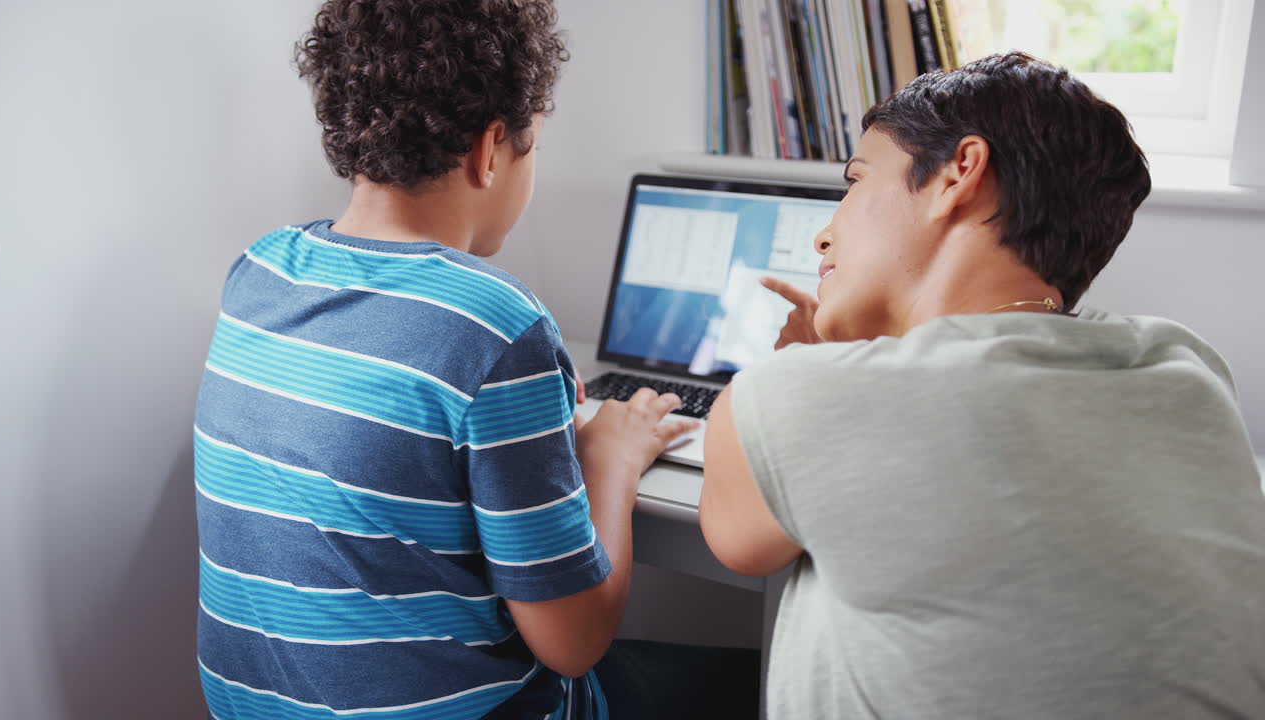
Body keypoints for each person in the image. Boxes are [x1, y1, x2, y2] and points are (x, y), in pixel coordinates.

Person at [192, 2, 758, 719]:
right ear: (491, 149)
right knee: (759, 683)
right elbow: (574, 641)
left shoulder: (262, 272)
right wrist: (610, 456)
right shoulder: (496, 326)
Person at [699, 51, 1265, 718]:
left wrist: (816, 366)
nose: (825, 236)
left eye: (855, 182)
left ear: (958, 173)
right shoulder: (1185, 367)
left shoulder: (794, 394)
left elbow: (739, 542)